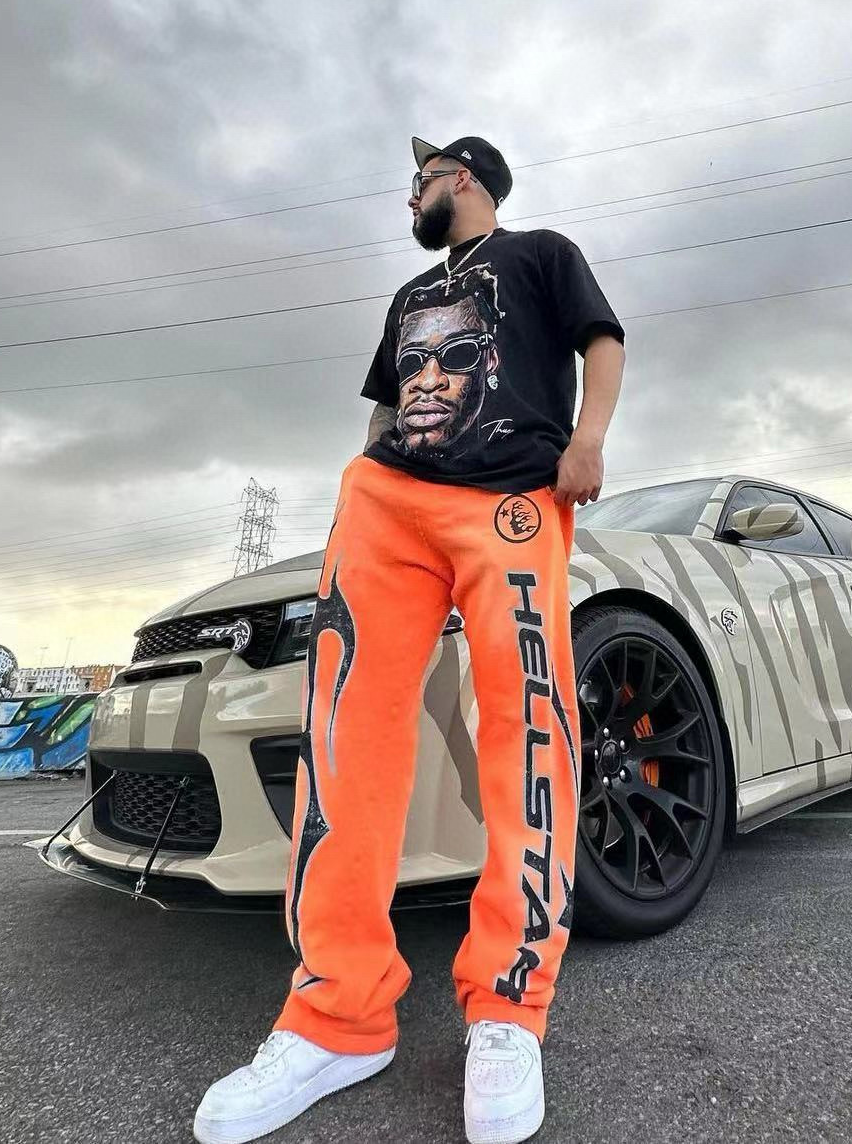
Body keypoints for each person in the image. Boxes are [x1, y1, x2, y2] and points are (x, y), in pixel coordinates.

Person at [195, 134, 626, 1144]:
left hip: (510, 496)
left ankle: (509, 1003)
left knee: (526, 727)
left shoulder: (541, 253)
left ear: (462, 178)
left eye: (420, 182)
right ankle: (338, 1013)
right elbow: (388, 407)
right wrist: (362, 493)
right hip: (388, 504)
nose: (410, 198)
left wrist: (589, 438)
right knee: (346, 735)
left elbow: (602, 339)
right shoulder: (409, 296)